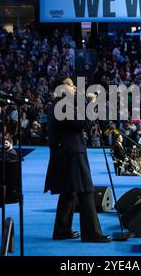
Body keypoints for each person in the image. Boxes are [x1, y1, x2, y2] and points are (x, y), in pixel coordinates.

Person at [44, 76, 111, 243]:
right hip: (72, 152)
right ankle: (91, 233)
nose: (74, 87)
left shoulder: (61, 104)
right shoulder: (64, 105)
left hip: (65, 151)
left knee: (69, 191)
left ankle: (62, 230)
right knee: (86, 190)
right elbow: (84, 123)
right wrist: (91, 103)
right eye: (70, 85)